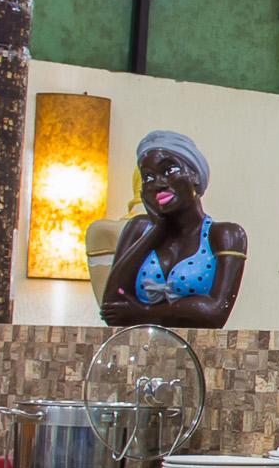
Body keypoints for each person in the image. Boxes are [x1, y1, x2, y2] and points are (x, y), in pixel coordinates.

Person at [100, 130, 248, 329]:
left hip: (198, 346)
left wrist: (142, 312)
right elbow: (111, 308)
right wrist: (157, 230)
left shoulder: (225, 235)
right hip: (139, 346)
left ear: (195, 176)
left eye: (169, 170)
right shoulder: (139, 229)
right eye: (148, 178)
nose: (159, 183)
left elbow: (215, 312)